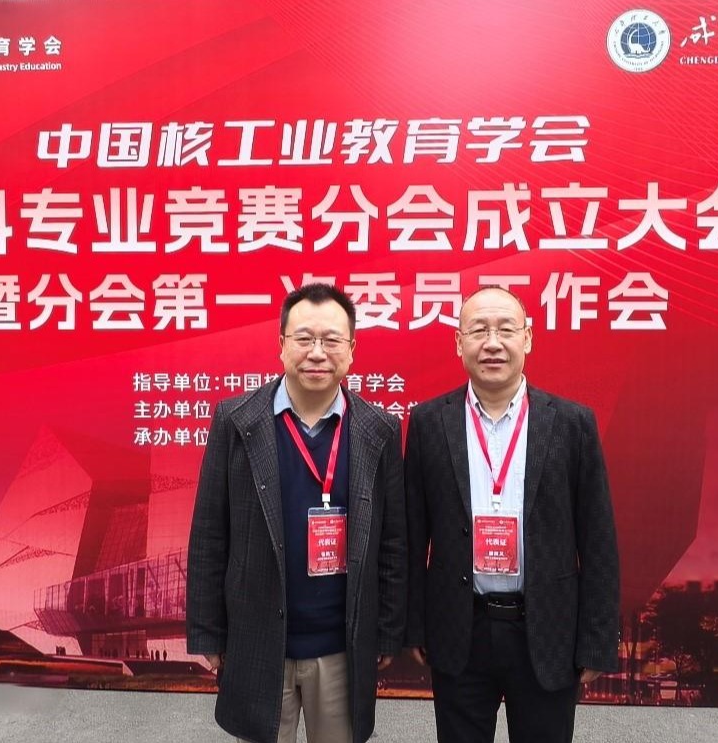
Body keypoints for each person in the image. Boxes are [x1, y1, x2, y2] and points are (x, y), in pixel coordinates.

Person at [187, 283, 407, 743]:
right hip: (260, 640)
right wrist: (207, 632)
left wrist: (387, 633)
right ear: (282, 345)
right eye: (304, 338)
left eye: (332, 340)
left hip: (342, 647)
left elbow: (392, 543)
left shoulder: (379, 429)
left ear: (352, 350)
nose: (317, 353)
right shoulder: (237, 421)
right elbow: (209, 534)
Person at [404, 286, 619, 743]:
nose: (492, 343)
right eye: (478, 330)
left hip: (546, 627)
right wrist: (414, 626)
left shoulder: (572, 423)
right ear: (458, 342)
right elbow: (412, 535)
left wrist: (597, 640)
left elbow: (597, 538)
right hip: (461, 626)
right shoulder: (428, 422)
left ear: (528, 338)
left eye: (506, 329)